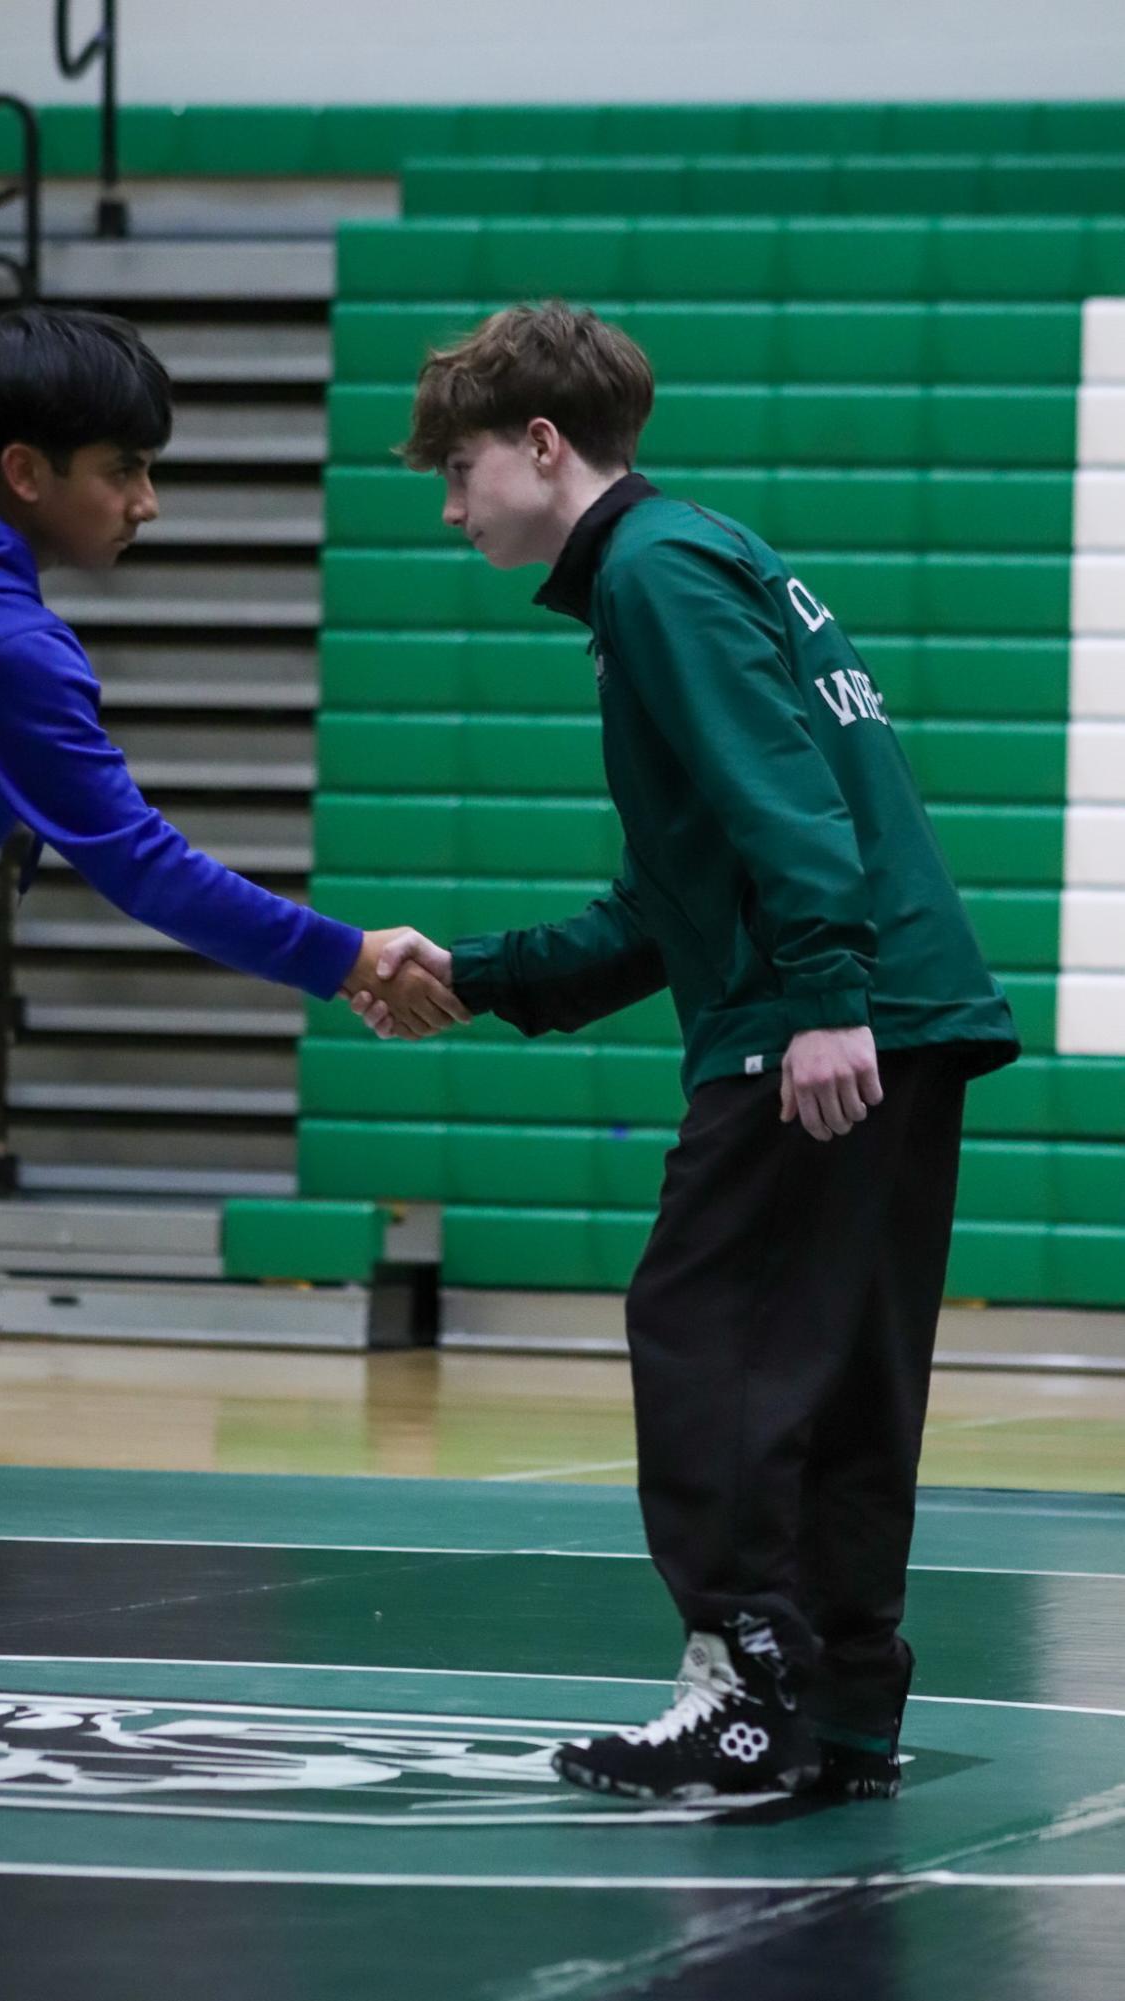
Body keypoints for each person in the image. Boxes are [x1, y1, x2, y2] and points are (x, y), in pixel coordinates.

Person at [357, 301, 1020, 1803]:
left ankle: (742, 1684)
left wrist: (820, 996)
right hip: (888, 1011)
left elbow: (783, 798)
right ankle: (840, 1703)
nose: (451, 506)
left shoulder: (652, 574)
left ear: (540, 443)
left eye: (458, 470)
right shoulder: (696, 560)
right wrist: (483, 978)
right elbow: (681, 885)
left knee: (706, 1334)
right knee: (842, 1368)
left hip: (825, 1017)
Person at [0, 304, 461, 1764]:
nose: (148, 503)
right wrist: (343, 954)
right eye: (123, 470)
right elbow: (139, 859)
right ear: (23, 470)